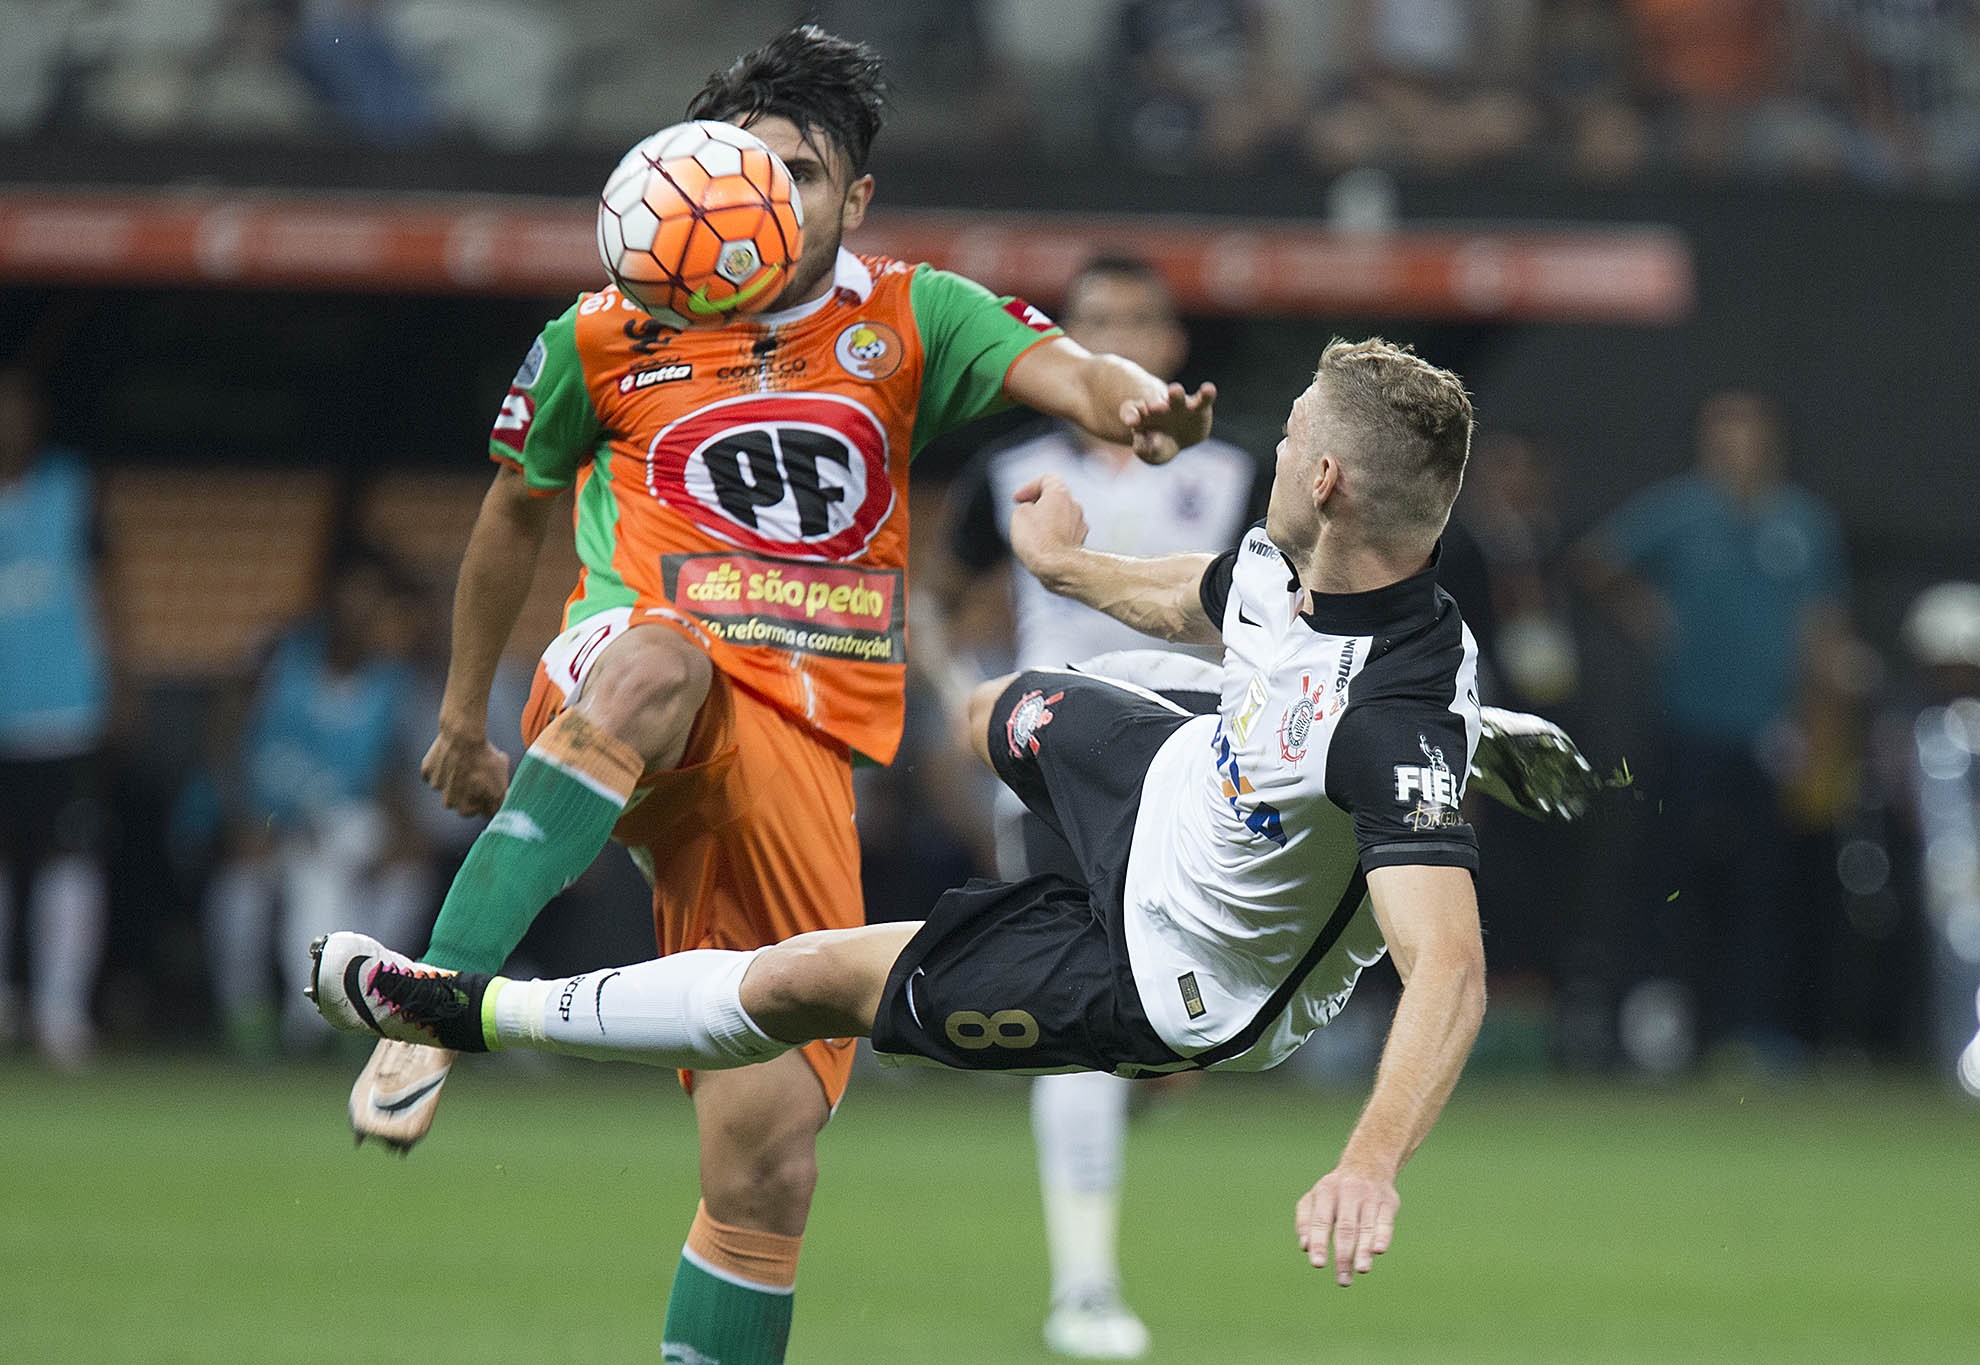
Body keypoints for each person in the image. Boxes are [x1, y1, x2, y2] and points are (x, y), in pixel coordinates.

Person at [311, 339, 1598, 1310]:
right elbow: (1212, 604)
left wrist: (1369, 1161)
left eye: (1286, 444)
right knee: (986, 708)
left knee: (809, 980)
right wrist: (1062, 572)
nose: (1263, 460)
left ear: (1323, 478)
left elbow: (1453, 972)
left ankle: (459, 1010)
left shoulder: (1390, 719)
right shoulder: (1291, 560)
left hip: (1175, 974)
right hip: (1174, 791)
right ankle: (1380, 763)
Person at [350, 26, 1216, 1365]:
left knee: (765, 1172)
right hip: (640, 678)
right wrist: (464, 716)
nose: (762, 198)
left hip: (803, 749)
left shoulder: (909, 315)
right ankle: (437, 1002)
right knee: (655, 661)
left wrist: (1137, 404)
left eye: (801, 175)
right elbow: (511, 521)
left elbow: (1070, 373)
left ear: (855, 200)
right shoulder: (601, 329)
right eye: (739, 167)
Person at [941, 253, 1260, 1359]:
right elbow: (934, 598)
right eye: (1096, 320)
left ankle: (1147, 1071)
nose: (1119, 335)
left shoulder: (1235, 477)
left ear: (1171, 346)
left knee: (1180, 1029)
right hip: (1057, 754)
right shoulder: (1013, 470)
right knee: (1080, 1020)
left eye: (1139, 319)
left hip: (1205, 763)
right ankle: (1082, 1287)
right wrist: (953, 706)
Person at [1576, 387, 1854, 1072]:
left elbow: (1821, 625)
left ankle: (1753, 1031)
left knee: (1767, 887)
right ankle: (1656, 1025)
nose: (1736, 450)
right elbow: (1597, 561)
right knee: (1670, 878)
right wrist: (1648, 617)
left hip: (1771, 735)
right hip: (1687, 727)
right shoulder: (1681, 511)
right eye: (1724, 437)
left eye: (1748, 436)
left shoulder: (1803, 523)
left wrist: (1826, 715)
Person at [204, 544, 430, 1058]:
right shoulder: (278, 656)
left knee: (401, 871)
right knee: (241, 889)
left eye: (376, 602)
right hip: (262, 821)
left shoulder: (393, 683)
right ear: (328, 598)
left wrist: (403, 835)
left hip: (339, 825)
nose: (363, 613)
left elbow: (393, 776)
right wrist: (241, 816)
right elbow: (224, 737)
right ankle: (248, 1014)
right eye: (354, 597)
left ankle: (364, 1005)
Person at [0, 365, 111, 1071]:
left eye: (17, 406)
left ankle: (61, 1012)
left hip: (65, 711)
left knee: (70, 863)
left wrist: (119, 676)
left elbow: (107, 587)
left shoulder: (73, 489)